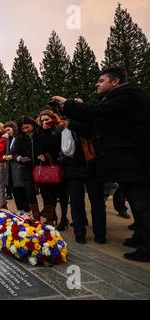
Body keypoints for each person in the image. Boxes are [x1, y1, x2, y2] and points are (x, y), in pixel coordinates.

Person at [53, 66, 150, 262]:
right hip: (125, 164)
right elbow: (94, 131)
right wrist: (69, 124)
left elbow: (97, 112)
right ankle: (140, 236)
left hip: (136, 160)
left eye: (101, 80)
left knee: (144, 205)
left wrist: (69, 105)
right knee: (136, 203)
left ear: (115, 81)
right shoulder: (113, 100)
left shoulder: (129, 94)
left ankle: (148, 246)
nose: (97, 84)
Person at [59, 119, 106, 244]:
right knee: (76, 203)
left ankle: (100, 234)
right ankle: (79, 234)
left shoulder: (90, 124)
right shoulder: (64, 129)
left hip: (92, 168)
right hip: (73, 170)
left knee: (97, 203)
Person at [11, 117, 47, 220]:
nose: (26, 130)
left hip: (41, 167)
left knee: (45, 192)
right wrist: (18, 157)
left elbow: (49, 147)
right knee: (30, 192)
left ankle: (50, 217)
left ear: (33, 124)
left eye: (27, 127)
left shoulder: (41, 134)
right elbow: (14, 152)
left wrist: (44, 155)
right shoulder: (19, 138)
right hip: (26, 168)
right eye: (23, 129)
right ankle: (36, 218)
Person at [3, 121, 29, 212]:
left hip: (18, 167)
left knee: (20, 189)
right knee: (14, 189)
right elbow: (9, 152)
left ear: (14, 128)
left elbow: (21, 152)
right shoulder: (10, 139)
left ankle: (26, 210)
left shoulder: (19, 138)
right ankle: (20, 209)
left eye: (9, 130)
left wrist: (12, 157)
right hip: (11, 168)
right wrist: (6, 156)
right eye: (6, 131)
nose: (7, 132)